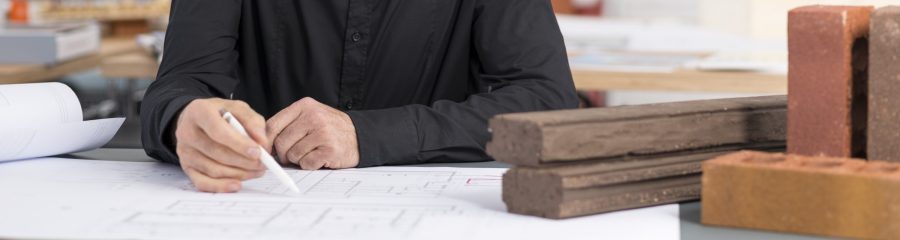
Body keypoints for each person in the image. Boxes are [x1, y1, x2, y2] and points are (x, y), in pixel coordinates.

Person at [141, 0, 578, 193]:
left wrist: (366, 135)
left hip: (436, 215)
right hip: (263, 208)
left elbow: (546, 99)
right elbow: (179, 86)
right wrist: (185, 120)